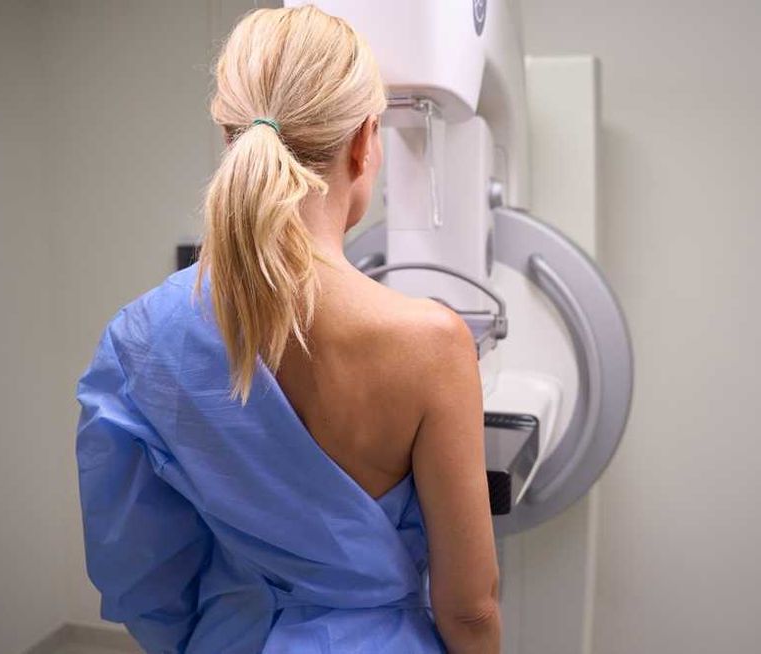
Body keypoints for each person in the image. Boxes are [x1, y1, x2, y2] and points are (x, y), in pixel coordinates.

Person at [75, 6, 500, 654]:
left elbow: (138, 573)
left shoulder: (142, 340)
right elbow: (469, 609)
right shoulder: (432, 345)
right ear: (365, 141)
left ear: (230, 137)